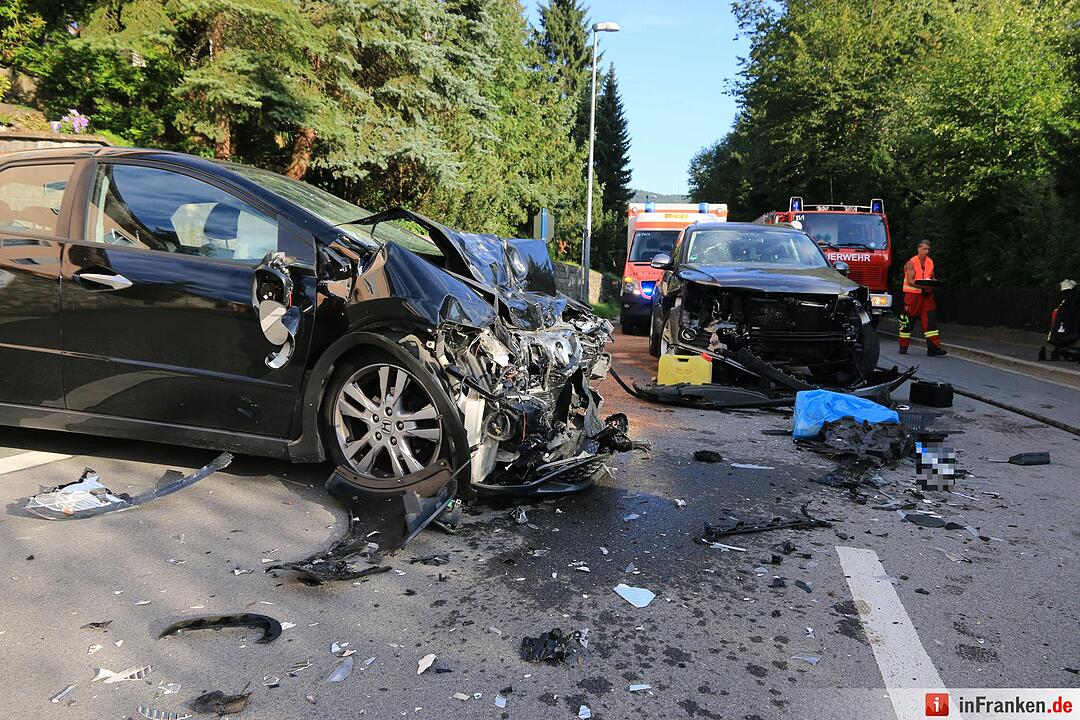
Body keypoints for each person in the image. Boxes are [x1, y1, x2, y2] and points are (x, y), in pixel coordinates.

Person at [899, 240, 947, 356]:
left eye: (928, 249)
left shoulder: (930, 262)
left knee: (930, 321)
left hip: (927, 296)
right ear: (918, 249)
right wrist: (924, 287)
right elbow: (910, 281)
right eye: (924, 249)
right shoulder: (911, 262)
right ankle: (903, 346)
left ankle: (933, 347)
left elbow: (932, 276)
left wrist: (935, 283)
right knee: (907, 321)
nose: (927, 252)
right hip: (913, 296)